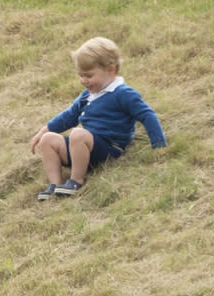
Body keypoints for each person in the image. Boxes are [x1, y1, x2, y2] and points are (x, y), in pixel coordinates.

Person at [30, 37, 167, 201]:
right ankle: (56, 185)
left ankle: (76, 181)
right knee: (48, 139)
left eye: (88, 75)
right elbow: (69, 116)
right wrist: (43, 131)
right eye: (80, 75)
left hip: (109, 147)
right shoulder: (87, 95)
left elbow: (147, 115)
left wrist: (159, 144)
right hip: (82, 147)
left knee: (78, 134)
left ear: (111, 70)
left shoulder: (123, 93)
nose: (83, 81)